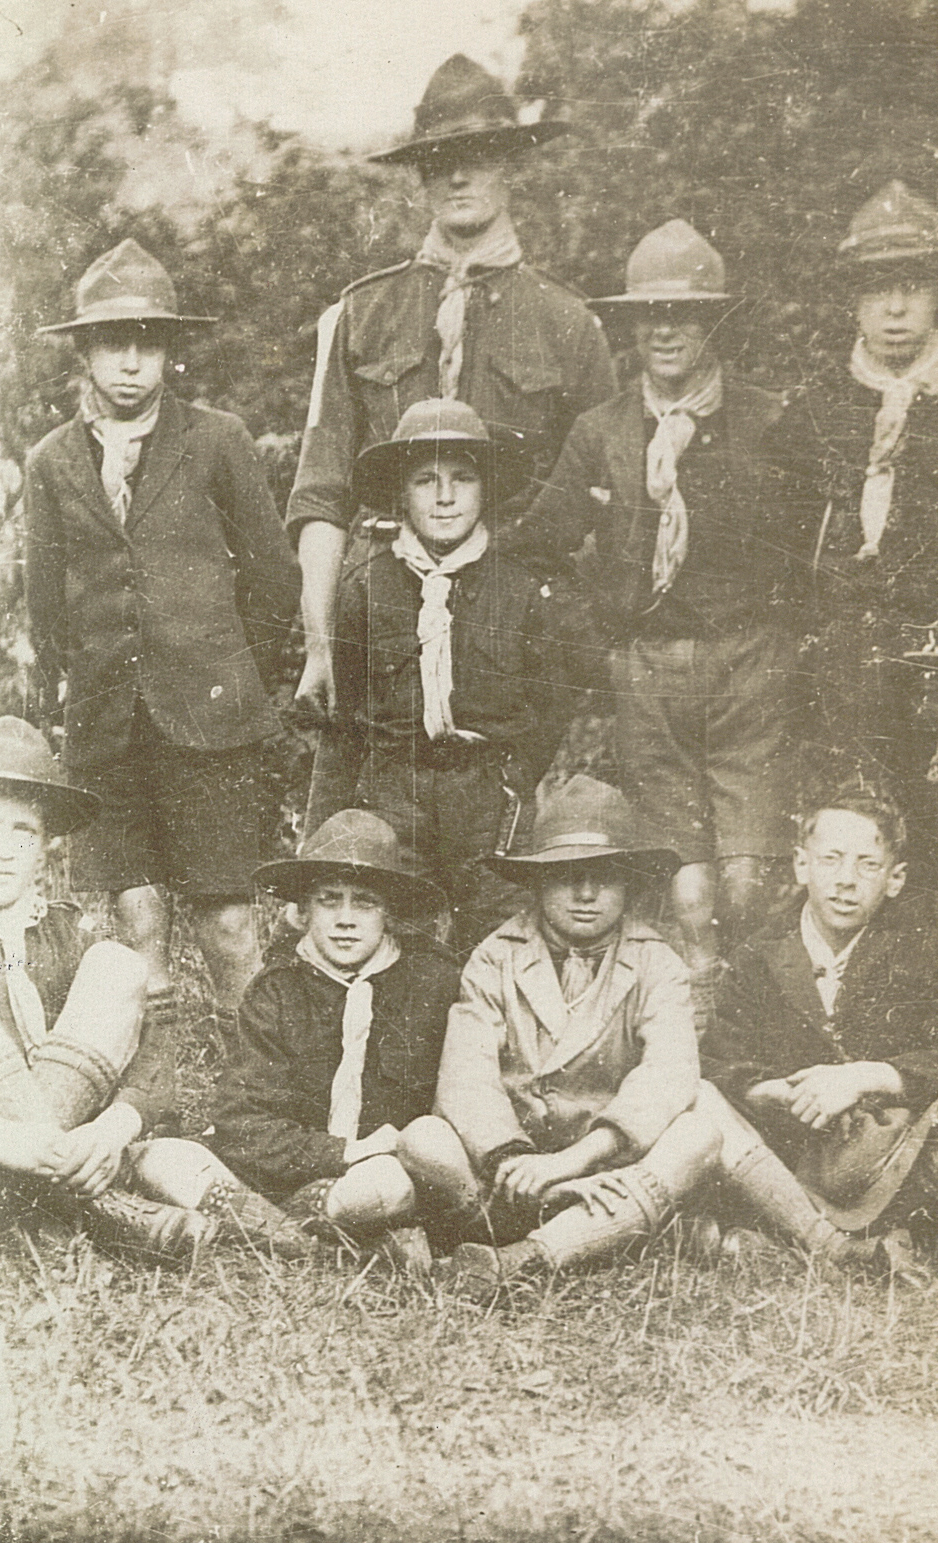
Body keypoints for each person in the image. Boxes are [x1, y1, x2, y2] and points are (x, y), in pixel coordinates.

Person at [505, 220, 803, 1021]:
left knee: (747, 880)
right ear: (631, 327)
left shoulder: (769, 421)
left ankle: (767, 1031)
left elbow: (809, 563)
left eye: (686, 313)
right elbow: (538, 549)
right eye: (649, 316)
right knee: (692, 889)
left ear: (714, 322)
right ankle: (700, 1045)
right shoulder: (601, 431)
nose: (666, 332)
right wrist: (601, 642)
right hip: (647, 674)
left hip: (750, 668)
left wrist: (777, 649)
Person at [25, 239, 301, 1042]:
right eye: (114, 343)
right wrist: (81, 692)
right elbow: (46, 608)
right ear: (85, 351)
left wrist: (225, 669)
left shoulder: (216, 440)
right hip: (109, 729)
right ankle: (151, 1099)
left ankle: (257, 1098)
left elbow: (275, 581)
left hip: (212, 727)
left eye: (149, 343)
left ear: (170, 352)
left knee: (227, 925)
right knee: (135, 924)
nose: (132, 364)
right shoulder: (51, 463)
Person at [285, 53, 615, 723]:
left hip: (516, 619)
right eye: (438, 160)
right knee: (352, 822)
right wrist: (322, 642)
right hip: (379, 616)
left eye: (479, 154)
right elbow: (321, 492)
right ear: (419, 175)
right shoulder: (361, 313)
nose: (458, 174)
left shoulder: (568, 321)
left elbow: (605, 496)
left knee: (508, 816)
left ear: (510, 166)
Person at [397, 776, 724, 1300]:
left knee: (701, 1129)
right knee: (422, 1141)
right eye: (567, 877)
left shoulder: (655, 960)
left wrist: (578, 1160)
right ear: (538, 883)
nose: (587, 894)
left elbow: (669, 1070)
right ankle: (601, 1234)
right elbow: (466, 1074)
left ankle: (525, 1258)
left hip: (605, 1166)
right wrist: (511, 1161)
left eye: (604, 878)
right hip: (511, 1174)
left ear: (630, 884)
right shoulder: (495, 956)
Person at [308, 397, 582, 953]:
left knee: (496, 937)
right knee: (399, 940)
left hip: (486, 793)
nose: (445, 496)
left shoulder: (522, 587)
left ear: (486, 490)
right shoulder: (368, 586)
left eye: (462, 478)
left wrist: (516, 776)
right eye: (425, 480)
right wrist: (322, 838)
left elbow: (552, 702)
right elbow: (345, 722)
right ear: (400, 494)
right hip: (396, 790)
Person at [764, 181, 938, 882]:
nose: (895, 309)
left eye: (914, 287)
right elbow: (776, 565)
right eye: (876, 291)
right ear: (852, 304)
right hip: (831, 682)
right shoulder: (809, 416)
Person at [209, 809, 462, 1271]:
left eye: (364, 902)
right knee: (168, 1159)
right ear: (303, 910)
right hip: (293, 1173)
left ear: (390, 911)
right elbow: (241, 1122)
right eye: (329, 900)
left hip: (392, 1175)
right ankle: (318, 1240)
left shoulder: (435, 983)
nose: (345, 919)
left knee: (385, 1185)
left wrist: (385, 1153)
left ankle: (275, 1231)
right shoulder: (276, 990)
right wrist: (344, 1152)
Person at [702, 784, 938, 1264]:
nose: (846, 880)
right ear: (801, 865)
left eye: (867, 865)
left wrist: (870, 1075)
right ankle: (822, 1242)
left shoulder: (922, 948)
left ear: (895, 879)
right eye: (830, 859)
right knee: (704, 1107)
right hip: (793, 1158)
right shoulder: (760, 953)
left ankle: (885, 1236)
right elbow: (717, 1059)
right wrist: (764, 1090)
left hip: (898, 1155)